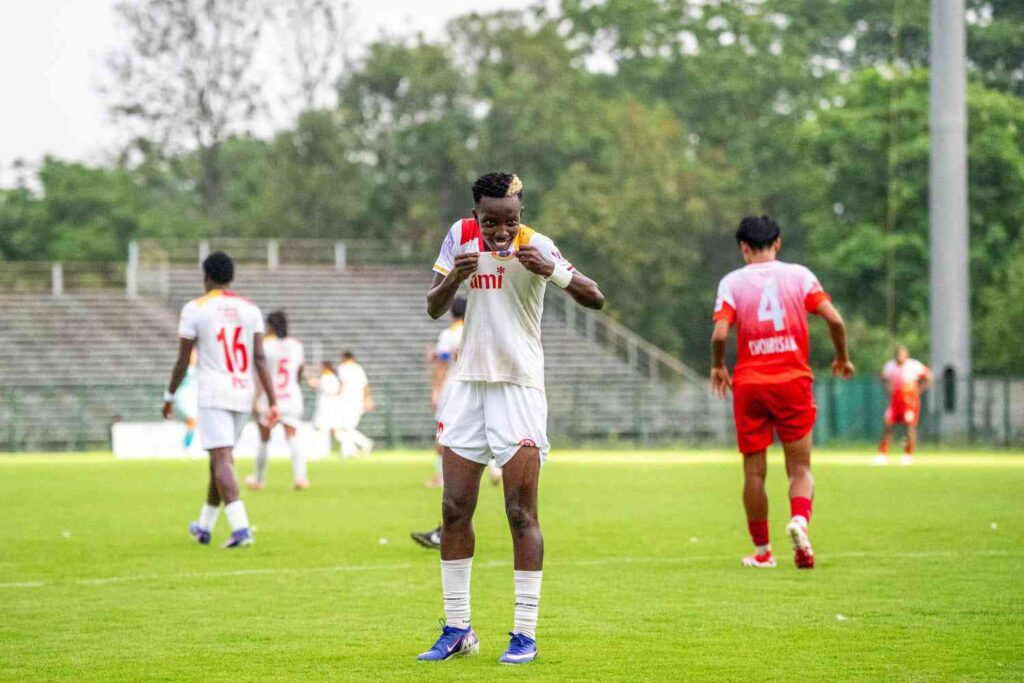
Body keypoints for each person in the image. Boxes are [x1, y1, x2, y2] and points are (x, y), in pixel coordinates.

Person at [416, 172, 604, 665]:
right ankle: (457, 628)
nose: (501, 232)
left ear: (521, 215)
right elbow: (434, 308)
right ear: (476, 214)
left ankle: (524, 634)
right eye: (491, 221)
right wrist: (454, 276)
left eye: (510, 221)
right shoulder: (459, 237)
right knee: (454, 508)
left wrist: (552, 270)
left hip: (519, 389)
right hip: (468, 387)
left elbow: (595, 296)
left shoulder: (536, 245)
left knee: (521, 513)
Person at [710, 215, 853, 571]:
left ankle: (763, 552)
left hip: (751, 385)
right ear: (778, 243)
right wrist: (842, 357)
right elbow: (835, 320)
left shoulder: (731, 283)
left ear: (743, 247)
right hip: (792, 382)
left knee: (754, 474)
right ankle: (800, 522)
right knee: (800, 467)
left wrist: (717, 366)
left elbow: (720, 334)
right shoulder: (800, 276)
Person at [162, 251, 277, 549]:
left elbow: (183, 361)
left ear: (206, 277)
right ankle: (204, 527)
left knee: (221, 459)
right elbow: (260, 357)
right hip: (244, 390)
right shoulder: (250, 308)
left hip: (214, 391)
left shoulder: (195, 308)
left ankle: (241, 529)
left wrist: (169, 395)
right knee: (220, 460)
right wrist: (273, 400)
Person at [245, 310, 308, 490]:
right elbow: (298, 371)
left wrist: (256, 399)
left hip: (269, 399)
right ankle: (300, 477)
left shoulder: (265, 346)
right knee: (293, 438)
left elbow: (259, 376)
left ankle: (258, 479)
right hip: (291, 397)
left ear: (269, 326)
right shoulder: (296, 345)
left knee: (264, 439)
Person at [875, 346, 931, 466]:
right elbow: (882, 377)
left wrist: (919, 391)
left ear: (906, 355)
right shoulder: (890, 366)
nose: (900, 357)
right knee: (888, 425)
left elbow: (928, 376)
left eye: (902, 355)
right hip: (895, 401)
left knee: (909, 427)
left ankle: (908, 454)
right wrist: (887, 389)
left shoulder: (913, 365)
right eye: (898, 355)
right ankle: (882, 454)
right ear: (895, 355)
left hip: (910, 401)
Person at [335, 351, 374, 457]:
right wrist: (368, 399)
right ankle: (349, 451)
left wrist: (335, 396)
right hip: (358, 401)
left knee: (346, 427)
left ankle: (365, 443)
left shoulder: (342, 368)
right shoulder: (358, 368)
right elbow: (365, 385)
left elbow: (341, 385)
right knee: (346, 427)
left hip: (346, 400)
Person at [172, 349, 199, 452]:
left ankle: (186, 446)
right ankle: (185, 447)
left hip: (190, 398)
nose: (194, 357)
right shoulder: (184, 368)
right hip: (182, 398)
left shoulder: (196, 369)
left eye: (195, 355)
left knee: (192, 423)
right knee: (192, 421)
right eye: (192, 355)